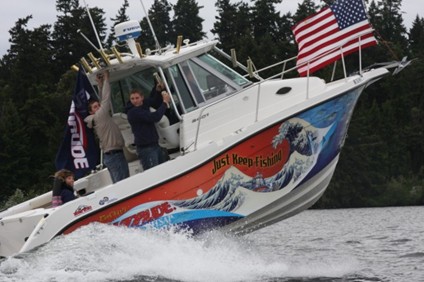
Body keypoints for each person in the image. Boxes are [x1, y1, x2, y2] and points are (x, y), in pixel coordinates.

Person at [84, 70, 129, 183]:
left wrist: (100, 85)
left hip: (112, 155)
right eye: (95, 107)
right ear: (91, 112)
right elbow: (106, 99)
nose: (98, 107)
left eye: (98, 106)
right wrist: (106, 80)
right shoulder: (100, 116)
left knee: (120, 182)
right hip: (115, 155)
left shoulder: (96, 117)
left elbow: (102, 101)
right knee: (123, 183)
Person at [126, 89, 171, 170]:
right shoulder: (132, 112)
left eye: (137, 98)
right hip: (146, 149)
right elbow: (155, 117)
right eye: (132, 99)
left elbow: (153, 100)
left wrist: (157, 89)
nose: (135, 101)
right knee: (154, 173)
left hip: (156, 145)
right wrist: (165, 103)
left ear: (142, 98)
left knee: (163, 171)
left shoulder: (143, 106)